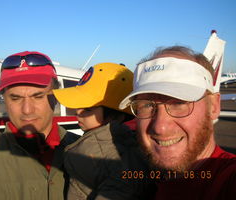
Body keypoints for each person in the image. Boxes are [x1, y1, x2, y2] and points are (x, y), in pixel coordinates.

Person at [0, 51, 79, 200]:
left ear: (56, 97)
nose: (27, 110)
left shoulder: (87, 151)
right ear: (4, 101)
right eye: (15, 98)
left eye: (38, 96)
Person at [119, 46, 236, 200]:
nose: (160, 127)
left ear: (213, 106)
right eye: (147, 105)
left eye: (179, 103)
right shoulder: (142, 179)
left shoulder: (228, 179)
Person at [53, 62, 154, 200]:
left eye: (88, 109)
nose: (78, 112)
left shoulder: (118, 161)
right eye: (78, 105)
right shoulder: (97, 143)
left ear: (116, 116)